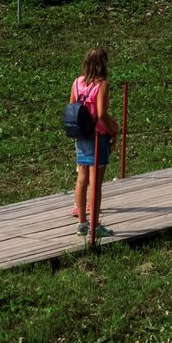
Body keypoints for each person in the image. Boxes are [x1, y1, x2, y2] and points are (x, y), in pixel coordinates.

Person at [71, 47, 120, 237]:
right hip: (97, 136)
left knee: (81, 179)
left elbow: (72, 107)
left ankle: (82, 224)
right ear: (103, 64)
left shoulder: (77, 82)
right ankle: (95, 226)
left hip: (81, 135)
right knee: (95, 183)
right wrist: (113, 130)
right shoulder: (102, 85)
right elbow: (101, 114)